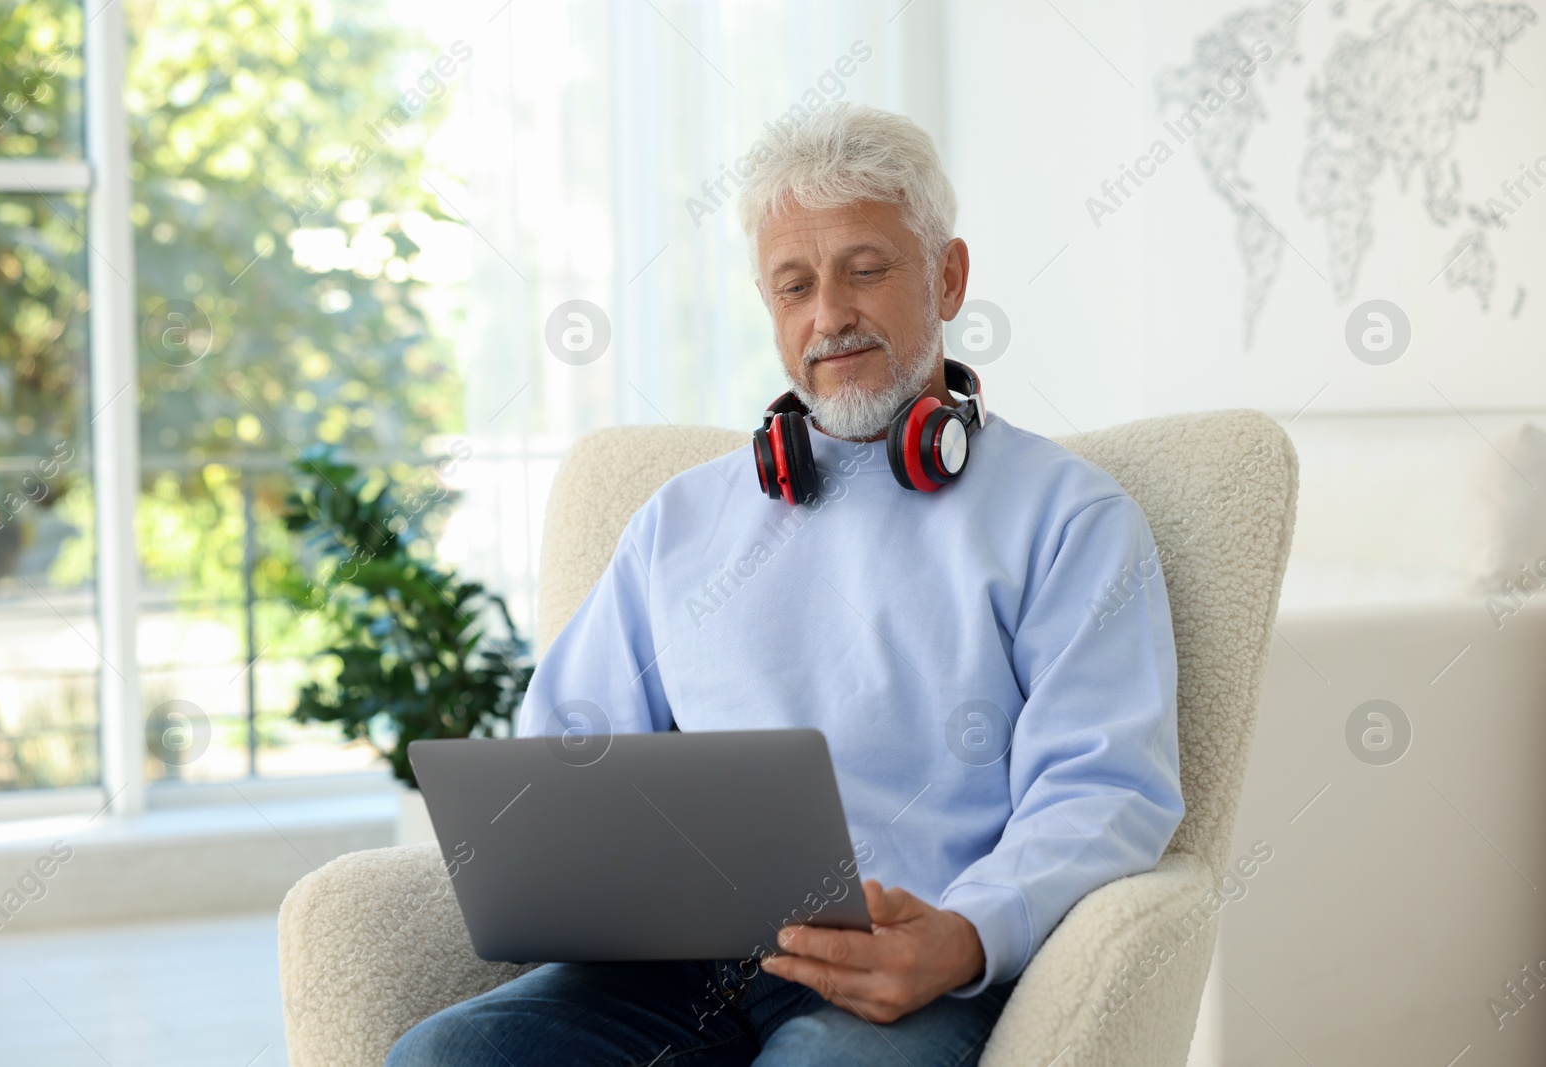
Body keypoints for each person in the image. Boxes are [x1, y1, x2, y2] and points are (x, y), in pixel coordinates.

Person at [389, 102, 1183, 1067]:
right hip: (671, 973)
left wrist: (965, 937)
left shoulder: (1071, 519)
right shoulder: (677, 522)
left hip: (904, 972)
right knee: (446, 1058)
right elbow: (569, 749)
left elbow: (1106, 786)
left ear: (948, 275)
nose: (829, 315)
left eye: (865, 269)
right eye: (794, 285)